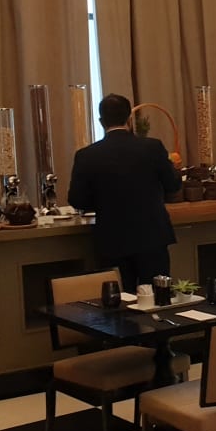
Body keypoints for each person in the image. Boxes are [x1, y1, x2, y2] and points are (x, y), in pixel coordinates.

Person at [69, 94, 183, 293]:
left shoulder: (86, 155)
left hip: (112, 238)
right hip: (152, 236)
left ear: (101, 121)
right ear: (129, 119)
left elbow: (77, 200)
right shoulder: (152, 147)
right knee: (157, 298)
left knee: (120, 301)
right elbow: (173, 185)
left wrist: (103, 201)